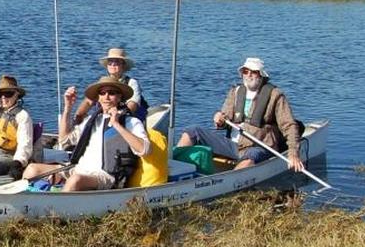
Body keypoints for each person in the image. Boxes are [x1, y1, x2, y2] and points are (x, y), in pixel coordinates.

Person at [175, 57, 303, 171]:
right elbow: (225, 119)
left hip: (259, 146)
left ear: (261, 75)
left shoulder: (275, 95)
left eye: (253, 72)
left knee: (250, 157)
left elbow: (289, 126)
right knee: (192, 131)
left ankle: (229, 182)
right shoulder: (235, 92)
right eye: (245, 72)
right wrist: (219, 120)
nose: (249, 75)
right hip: (233, 145)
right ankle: (174, 166)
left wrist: (293, 153)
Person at [25, 76, 150, 191]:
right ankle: (23, 203)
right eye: (102, 93)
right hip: (79, 169)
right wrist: (68, 108)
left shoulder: (130, 122)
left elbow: (145, 149)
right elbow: (64, 140)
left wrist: (117, 124)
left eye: (111, 93)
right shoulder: (93, 119)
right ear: (98, 98)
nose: (106, 97)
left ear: (119, 97)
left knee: (75, 180)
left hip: (105, 175)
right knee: (32, 170)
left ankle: (55, 210)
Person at [72, 48, 147, 124]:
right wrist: (78, 117)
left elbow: (133, 104)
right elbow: (88, 101)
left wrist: (119, 116)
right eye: (110, 62)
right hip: (104, 118)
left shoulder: (132, 82)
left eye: (117, 62)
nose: (113, 64)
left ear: (123, 65)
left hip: (125, 119)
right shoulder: (102, 82)